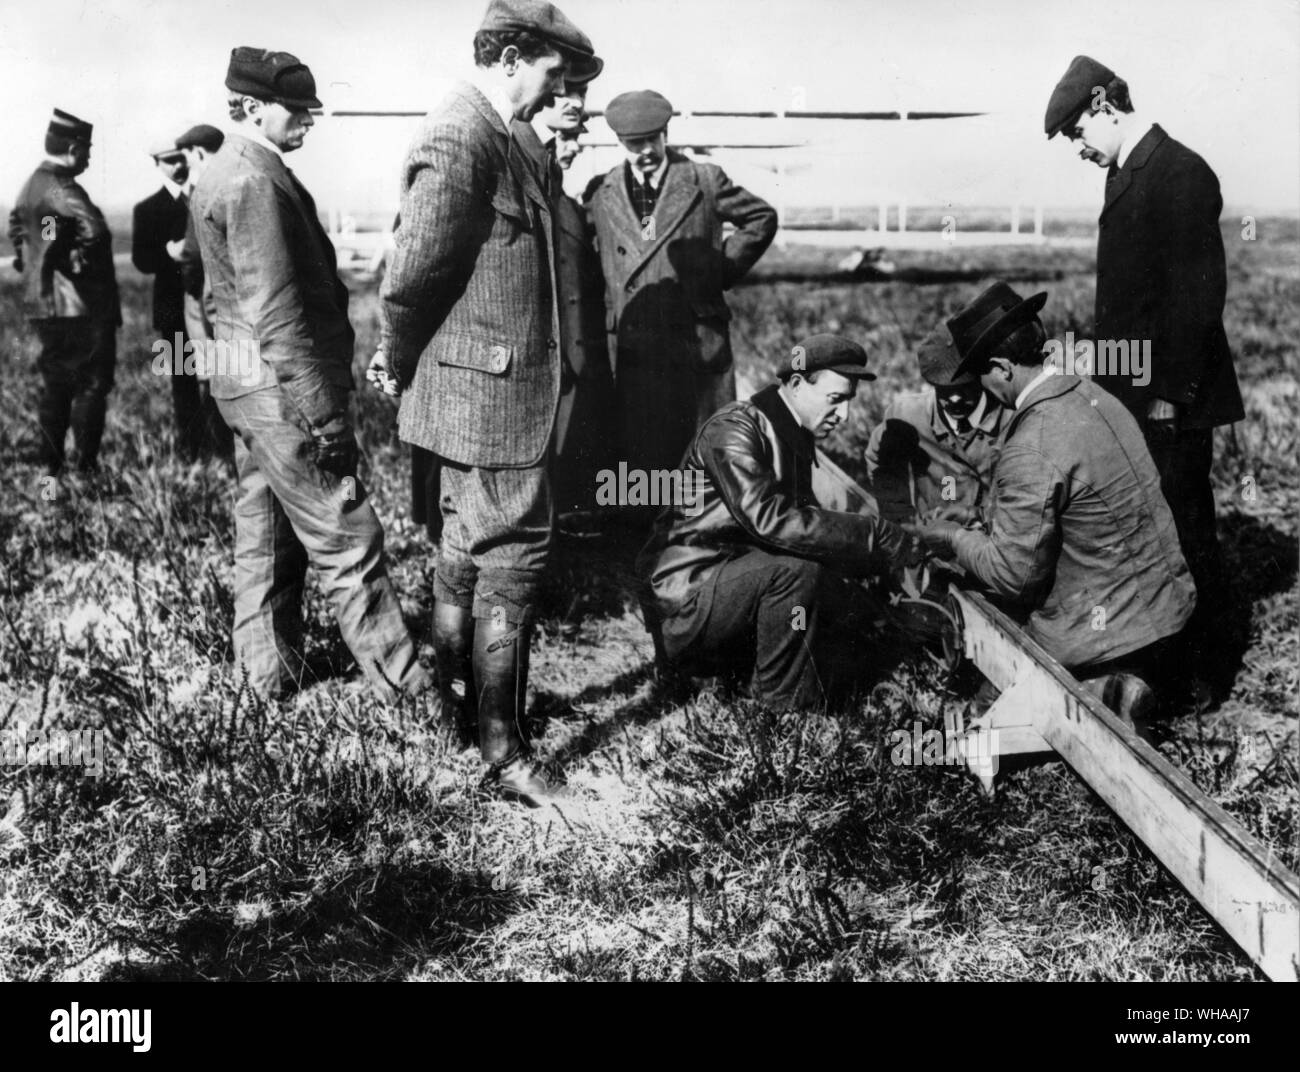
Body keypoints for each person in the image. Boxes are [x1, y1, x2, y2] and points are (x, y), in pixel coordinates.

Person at [372, 0, 595, 806]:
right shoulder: (462, 134)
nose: (558, 90)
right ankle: (503, 750)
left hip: (488, 388)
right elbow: (412, 273)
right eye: (552, 73)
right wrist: (394, 361)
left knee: (465, 550)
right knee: (514, 562)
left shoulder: (508, 138)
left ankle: (454, 716)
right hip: (489, 396)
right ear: (508, 57)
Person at [191, 46, 427, 704]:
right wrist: (324, 417)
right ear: (253, 108)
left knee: (264, 536)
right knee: (348, 534)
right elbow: (277, 309)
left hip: (246, 389)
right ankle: (414, 698)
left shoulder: (221, 172)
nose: (309, 120)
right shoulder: (254, 181)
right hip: (283, 391)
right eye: (297, 110)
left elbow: (214, 301)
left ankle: (266, 681)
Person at [1045, 55, 1244, 697]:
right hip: (1134, 392)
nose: (1077, 147)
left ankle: (1207, 670)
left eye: (1077, 131)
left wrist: (1165, 395)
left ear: (1104, 106)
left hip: (1171, 400)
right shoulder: (1130, 173)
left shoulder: (1180, 172)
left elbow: (1197, 297)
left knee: (1185, 527)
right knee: (1150, 528)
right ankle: (1162, 656)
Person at [908, 283, 1197, 716]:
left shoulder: (1033, 442)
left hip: (1101, 631)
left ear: (1003, 367)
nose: (981, 389)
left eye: (981, 376)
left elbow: (1013, 576)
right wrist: (981, 517)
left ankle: (1101, 690)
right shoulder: (1095, 396)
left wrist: (953, 537)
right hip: (1167, 611)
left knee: (986, 639)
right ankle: (1146, 678)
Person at [637, 335, 916, 711]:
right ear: (798, 384)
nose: (845, 416)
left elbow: (807, 532)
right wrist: (873, 534)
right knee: (797, 573)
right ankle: (783, 712)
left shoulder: (790, 433)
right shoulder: (733, 430)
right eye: (836, 400)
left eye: (849, 401)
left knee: (845, 607)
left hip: (730, 589)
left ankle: (746, 678)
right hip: (686, 604)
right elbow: (772, 520)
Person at [587, 89, 778, 485]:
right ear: (620, 143)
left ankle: (705, 531)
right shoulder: (602, 193)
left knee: (702, 446)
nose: (644, 151)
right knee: (643, 448)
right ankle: (646, 536)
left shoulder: (704, 180)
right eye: (633, 143)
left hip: (694, 339)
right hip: (632, 342)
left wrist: (719, 270)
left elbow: (761, 218)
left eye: (652, 139)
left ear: (666, 133)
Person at [521, 65, 614, 520]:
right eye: (566, 141)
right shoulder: (527, 188)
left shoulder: (568, 200)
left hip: (572, 356)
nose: (574, 148)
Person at [8, 108, 120, 475]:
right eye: (86, 150)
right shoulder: (62, 187)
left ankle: (50, 477)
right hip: (79, 307)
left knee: (56, 388)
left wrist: (39, 260)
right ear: (73, 148)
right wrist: (79, 263)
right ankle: (85, 472)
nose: (88, 157)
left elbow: (20, 232)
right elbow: (96, 230)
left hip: (43, 306)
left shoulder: (30, 186)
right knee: (92, 384)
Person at [865, 324, 1006, 526]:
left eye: (964, 387)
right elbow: (880, 460)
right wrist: (902, 519)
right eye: (944, 389)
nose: (955, 398)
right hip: (936, 546)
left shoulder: (1011, 416)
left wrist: (983, 517)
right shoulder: (907, 416)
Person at [133, 137, 204, 460]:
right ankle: (192, 448)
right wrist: (168, 252)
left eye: (181, 158)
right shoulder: (147, 210)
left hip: (209, 305)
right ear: (156, 164)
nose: (177, 165)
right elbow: (141, 260)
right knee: (183, 379)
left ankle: (221, 444)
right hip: (172, 308)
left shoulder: (204, 198)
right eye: (169, 160)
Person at [174, 123, 234, 458]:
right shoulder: (238, 179)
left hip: (208, 298)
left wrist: (187, 278)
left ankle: (222, 452)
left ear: (197, 153)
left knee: (210, 374)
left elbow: (193, 253)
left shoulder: (205, 189)